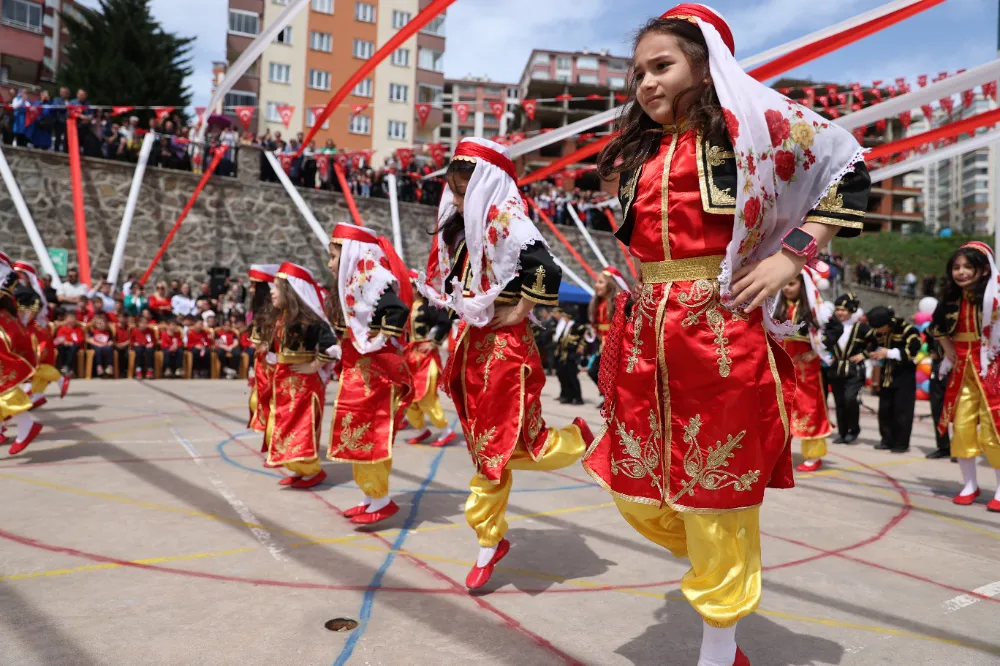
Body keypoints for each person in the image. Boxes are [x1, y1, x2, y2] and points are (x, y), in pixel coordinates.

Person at [580, 7, 870, 665]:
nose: (646, 84)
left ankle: (719, 645)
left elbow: (850, 171)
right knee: (633, 489)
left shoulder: (753, 132)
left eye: (662, 66)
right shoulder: (644, 150)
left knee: (716, 496)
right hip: (647, 334)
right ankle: (717, 562)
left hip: (719, 331)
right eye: (638, 73)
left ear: (706, 66)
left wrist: (789, 256)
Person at [420, 137, 590, 590]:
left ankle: (487, 542)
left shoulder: (508, 223)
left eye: (462, 191)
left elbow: (546, 269)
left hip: (505, 352)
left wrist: (518, 311)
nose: (455, 200)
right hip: (475, 347)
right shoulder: (467, 231)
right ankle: (578, 441)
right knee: (499, 446)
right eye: (453, 191)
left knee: (493, 452)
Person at [326, 224, 413, 520]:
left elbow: (397, 311)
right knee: (355, 434)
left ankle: (380, 499)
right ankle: (369, 496)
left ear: (350, 253)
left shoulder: (373, 279)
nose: (330, 263)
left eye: (334, 255)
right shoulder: (354, 283)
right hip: (359, 370)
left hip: (376, 371)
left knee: (372, 434)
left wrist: (376, 340)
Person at [930, 242, 1000, 511]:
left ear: (983, 270)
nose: (960, 272)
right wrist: (950, 354)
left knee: (994, 427)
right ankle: (970, 484)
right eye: (956, 267)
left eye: (967, 267)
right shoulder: (948, 300)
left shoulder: (995, 297)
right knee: (961, 426)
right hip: (962, 369)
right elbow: (937, 329)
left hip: (991, 368)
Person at [256, 263, 338, 488]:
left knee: (301, 428)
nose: (271, 291)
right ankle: (297, 468)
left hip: (303, 386)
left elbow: (332, 346)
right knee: (279, 426)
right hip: (282, 383)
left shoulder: (309, 320)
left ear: (290, 291)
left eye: (276, 287)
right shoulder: (281, 318)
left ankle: (311, 471)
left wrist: (314, 365)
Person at [774, 270, 833, 471]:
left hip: (806, 370)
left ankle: (813, 455)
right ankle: (778, 453)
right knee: (780, 409)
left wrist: (816, 353)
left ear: (802, 284)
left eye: (791, 283)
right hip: (782, 367)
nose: (787, 288)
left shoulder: (815, 310)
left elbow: (834, 331)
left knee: (809, 407)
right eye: (784, 283)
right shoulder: (778, 308)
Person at [0, 252, 44, 454]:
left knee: (3, 380)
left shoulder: (6, 275)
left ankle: (26, 424)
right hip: (7, 329)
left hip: (5, 332)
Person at [404, 270, 452, 446]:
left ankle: (445, 430)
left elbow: (445, 322)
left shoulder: (430, 305)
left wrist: (434, 342)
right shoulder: (408, 305)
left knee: (426, 395)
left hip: (425, 358)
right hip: (410, 357)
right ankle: (422, 429)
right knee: (407, 395)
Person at [866, 306, 921, 454]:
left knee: (902, 411)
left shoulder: (909, 330)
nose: (876, 332)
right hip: (886, 376)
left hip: (903, 376)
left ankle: (901, 443)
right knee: (885, 410)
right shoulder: (877, 332)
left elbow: (913, 351)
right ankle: (886, 440)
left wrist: (888, 353)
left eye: (879, 328)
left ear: (887, 324)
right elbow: (870, 346)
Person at [823, 294, 876, 444]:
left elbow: (874, 342)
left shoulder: (861, 327)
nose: (840, 313)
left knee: (850, 399)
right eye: (838, 309)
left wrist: (864, 355)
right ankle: (843, 432)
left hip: (854, 370)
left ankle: (854, 429)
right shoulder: (830, 326)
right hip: (835, 369)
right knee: (839, 402)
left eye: (844, 310)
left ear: (851, 311)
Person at [13, 261, 67, 402]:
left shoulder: (31, 293)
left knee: (33, 362)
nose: (17, 276)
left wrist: (23, 323)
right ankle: (36, 392)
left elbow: (34, 308)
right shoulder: (19, 291)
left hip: (35, 331)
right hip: (30, 330)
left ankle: (58, 379)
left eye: (20, 273)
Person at [246, 265, 279, 443]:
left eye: (254, 286)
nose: (251, 290)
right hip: (260, 363)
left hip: (271, 363)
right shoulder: (259, 310)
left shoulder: (275, 311)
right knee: (258, 400)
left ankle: (274, 441)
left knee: (269, 401)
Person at [588, 267, 627, 389]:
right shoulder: (597, 303)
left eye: (600, 282)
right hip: (602, 344)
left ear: (610, 284)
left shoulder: (619, 302)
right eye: (596, 282)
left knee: (610, 375)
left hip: (615, 345)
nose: (596, 285)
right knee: (594, 372)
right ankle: (607, 397)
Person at [556, 304, 588, 405]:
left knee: (572, 376)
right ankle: (567, 395)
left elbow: (585, 338)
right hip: (564, 354)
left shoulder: (578, 327)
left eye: (565, 316)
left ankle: (578, 397)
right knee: (563, 374)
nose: (563, 318)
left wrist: (581, 347)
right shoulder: (565, 326)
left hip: (572, 354)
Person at [55, 310, 86, 375]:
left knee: (73, 348)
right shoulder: (62, 328)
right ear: (66, 319)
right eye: (69, 318)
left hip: (73, 345)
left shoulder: (78, 329)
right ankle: (64, 367)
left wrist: (72, 342)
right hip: (64, 344)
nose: (71, 320)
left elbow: (81, 339)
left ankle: (66, 367)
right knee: (61, 348)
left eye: (73, 318)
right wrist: (65, 342)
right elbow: (59, 338)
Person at [130, 315, 156, 379]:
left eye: (145, 323)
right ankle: (138, 370)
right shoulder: (135, 331)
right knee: (139, 351)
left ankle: (150, 370)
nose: (144, 325)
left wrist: (151, 344)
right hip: (139, 346)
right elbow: (131, 341)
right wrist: (134, 343)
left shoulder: (150, 331)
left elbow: (154, 341)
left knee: (150, 351)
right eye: (142, 323)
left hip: (147, 346)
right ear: (139, 323)